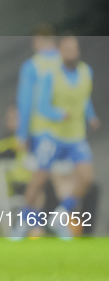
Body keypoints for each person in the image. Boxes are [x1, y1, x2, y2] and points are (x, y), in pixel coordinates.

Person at [15, 36, 99, 239]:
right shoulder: (50, 75)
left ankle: (61, 215)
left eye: (74, 48)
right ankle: (24, 219)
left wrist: (91, 116)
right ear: (60, 51)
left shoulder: (86, 72)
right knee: (39, 178)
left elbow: (84, 97)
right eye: (67, 48)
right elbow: (42, 106)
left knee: (86, 177)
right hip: (53, 136)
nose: (71, 52)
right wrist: (58, 114)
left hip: (76, 136)